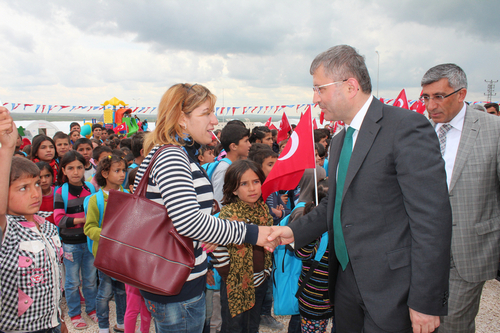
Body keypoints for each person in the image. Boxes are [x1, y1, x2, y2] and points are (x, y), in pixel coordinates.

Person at [267, 45, 452, 333]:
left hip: (393, 290)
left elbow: (432, 222)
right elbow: (336, 203)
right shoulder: (341, 140)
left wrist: (426, 301)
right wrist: (292, 232)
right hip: (345, 280)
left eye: (320, 89)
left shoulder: (405, 128)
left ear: (350, 86)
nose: (315, 99)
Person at [133, 83, 276, 333]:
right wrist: (252, 232)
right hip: (178, 282)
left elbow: (176, 217)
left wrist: (208, 233)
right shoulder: (172, 156)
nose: (214, 120)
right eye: (206, 113)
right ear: (181, 118)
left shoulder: (165, 153)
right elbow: (188, 221)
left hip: (172, 277)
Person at [420, 64, 500, 333]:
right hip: (420, 250)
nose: (431, 105)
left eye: (439, 96)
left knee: (453, 325)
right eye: (426, 97)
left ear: (461, 93)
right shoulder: (418, 131)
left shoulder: (494, 130)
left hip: (467, 250)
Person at [0, 107, 67, 333]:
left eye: (37, 184)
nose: (35, 193)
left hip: (52, 323)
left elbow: (54, 278)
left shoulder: (47, 227)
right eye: (23, 188)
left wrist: (59, 319)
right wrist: (8, 148)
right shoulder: (8, 230)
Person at [217, 160, 273, 333]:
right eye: (244, 184)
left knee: (252, 326)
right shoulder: (227, 216)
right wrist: (233, 276)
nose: (252, 188)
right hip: (235, 285)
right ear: (233, 189)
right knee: (234, 327)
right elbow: (218, 251)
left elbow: (269, 242)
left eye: (256, 182)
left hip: (260, 282)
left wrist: (265, 272)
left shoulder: (263, 210)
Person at [54, 150, 98, 330]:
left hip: (88, 243)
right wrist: (81, 220)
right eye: (70, 168)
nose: (76, 172)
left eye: (79, 167)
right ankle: (74, 313)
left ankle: (92, 309)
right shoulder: (60, 192)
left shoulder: (91, 189)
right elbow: (59, 219)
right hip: (70, 245)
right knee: (72, 283)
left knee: (90, 279)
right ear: (63, 170)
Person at [84, 155, 128, 333]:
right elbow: (89, 228)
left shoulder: (127, 196)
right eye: (117, 171)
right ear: (104, 173)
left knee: (122, 291)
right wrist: (107, 235)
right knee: (104, 292)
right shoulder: (96, 200)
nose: (122, 174)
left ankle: (121, 323)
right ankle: (103, 326)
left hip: (122, 255)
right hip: (104, 254)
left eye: (123, 170)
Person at [212, 123, 251, 205]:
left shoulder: (233, 166)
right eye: (246, 141)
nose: (250, 145)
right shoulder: (224, 169)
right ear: (233, 146)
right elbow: (218, 201)